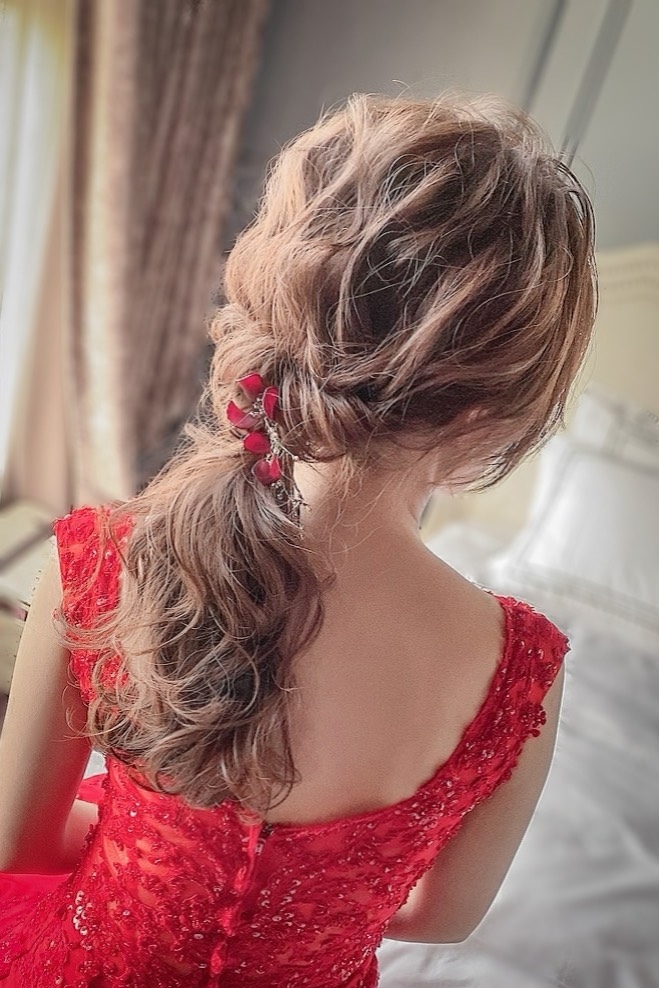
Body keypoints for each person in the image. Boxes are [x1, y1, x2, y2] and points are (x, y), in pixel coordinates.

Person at [0, 92, 596, 987]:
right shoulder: (517, 670)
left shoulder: (103, 560)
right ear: (490, 418)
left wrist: (155, 861)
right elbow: (443, 917)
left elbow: (16, 840)